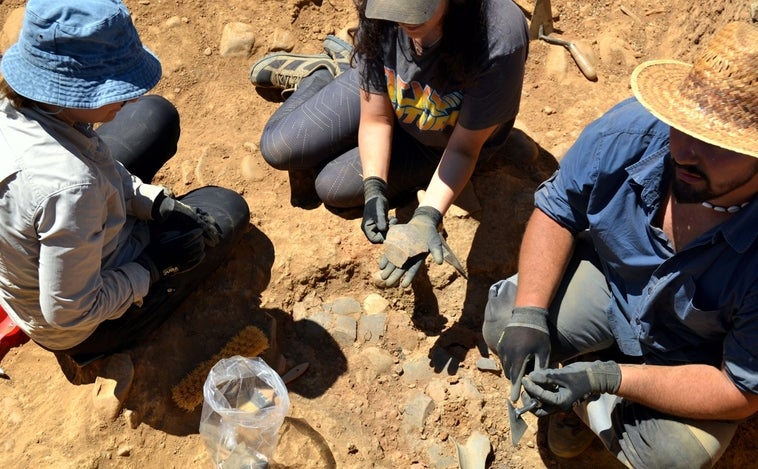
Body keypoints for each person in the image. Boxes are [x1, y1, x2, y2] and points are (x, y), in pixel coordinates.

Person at [482, 21, 758, 467]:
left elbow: (740, 390)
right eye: (682, 127)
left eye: (715, 144)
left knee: (672, 457)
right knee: (506, 324)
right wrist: (531, 313)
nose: (685, 152)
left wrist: (606, 377)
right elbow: (557, 211)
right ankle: (579, 391)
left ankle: (594, 399)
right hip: (614, 287)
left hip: (693, 356)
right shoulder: (629, 135)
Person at [0, 0, 250, 366]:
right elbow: (69, 314)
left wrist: (153, 201)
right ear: (67, 92)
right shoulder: (72, 187)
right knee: (227, 207)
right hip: (82, 324)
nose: (128, 95)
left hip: (58, 236)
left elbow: (95, 163)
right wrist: (151, 268)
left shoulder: (26, 109)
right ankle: (113, 338)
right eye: (112, 88)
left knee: (154, 114)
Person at [250, 0, 529, 287]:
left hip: (440, 141)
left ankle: (345, 75)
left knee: (332, 187)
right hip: (394, 101)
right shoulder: (381, 11)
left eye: (415, 10)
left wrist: (427, 216)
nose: (405, 23)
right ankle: (324, 73)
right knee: (278, 146)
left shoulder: (497, 36)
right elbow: (376, 119)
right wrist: (374, 186)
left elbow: (464, 148)